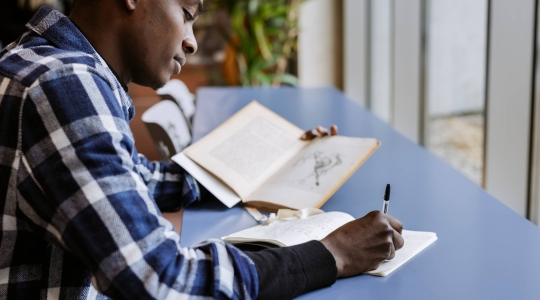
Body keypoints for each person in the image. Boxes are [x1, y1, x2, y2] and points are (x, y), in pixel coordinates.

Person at [0, 0, 404, 299]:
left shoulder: (43, 64)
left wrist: (274, 163)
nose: (191, 42)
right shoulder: (64, 87)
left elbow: (132, 176)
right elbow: (158, 278)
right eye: (188, 13)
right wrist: (333, 254)